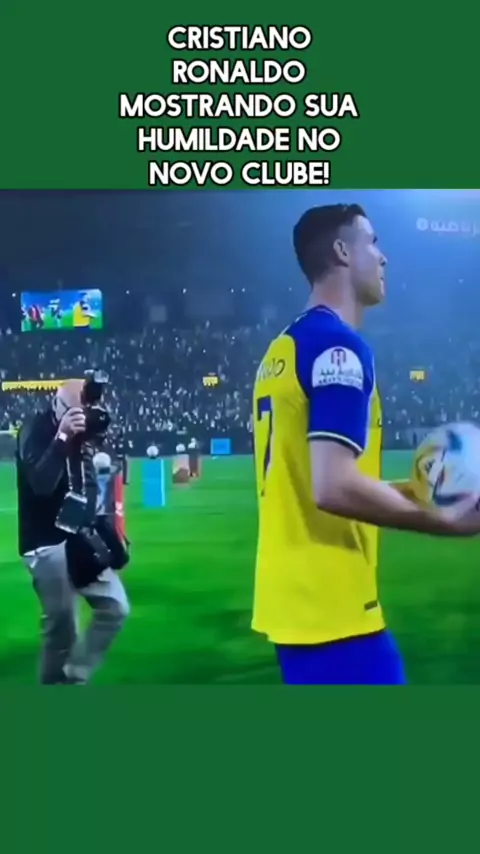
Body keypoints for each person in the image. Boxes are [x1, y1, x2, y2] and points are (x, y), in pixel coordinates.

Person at [251, 203, 480, 686]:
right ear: (342, 251)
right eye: (372, 242)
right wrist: (442, 520)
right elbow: (333, 488)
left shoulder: (285, 346)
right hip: (333, 611)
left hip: (295, 605)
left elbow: (324, 480)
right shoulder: (340, 349)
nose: (383, 257)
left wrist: (429, 491)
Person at [16, 378, 130, 685]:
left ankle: (75, 675)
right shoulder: (35, 430)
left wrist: (108, 534)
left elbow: (91, 484)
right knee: (62, 628)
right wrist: (63, 436)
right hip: (45, 542)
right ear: (58, 405)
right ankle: (54, 688)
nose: (82, 417)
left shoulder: (87, 433)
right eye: (75, 411)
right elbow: (41, 485)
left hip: (79, 535)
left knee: (116, 607)